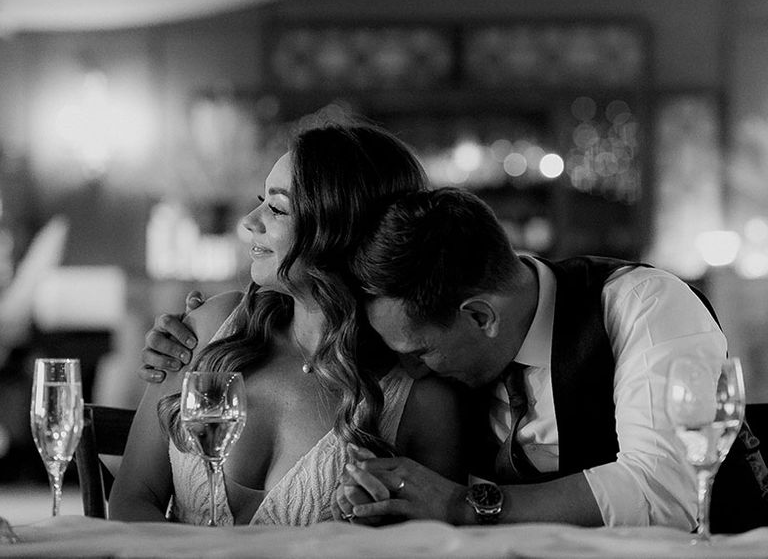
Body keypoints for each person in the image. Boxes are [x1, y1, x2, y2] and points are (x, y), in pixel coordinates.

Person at [110, 125, 469, 525]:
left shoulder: (421, 400)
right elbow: (132, 501)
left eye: (277, 209)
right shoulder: (208, 328)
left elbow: (436, 547)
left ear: (341, 230)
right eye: (261, 201)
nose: (249, 221)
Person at [332, 186, 732, 529]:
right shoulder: (450, 382)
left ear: (480, 316)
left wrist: (464, 506)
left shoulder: (643, 304)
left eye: (420, 351)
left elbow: (664, 493)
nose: (411, 371)